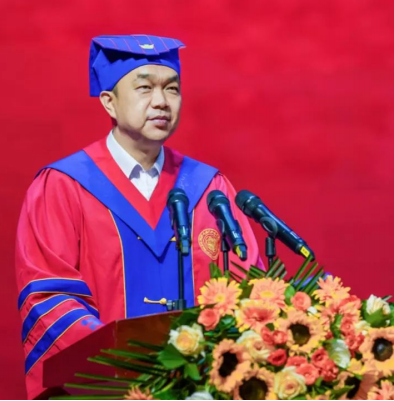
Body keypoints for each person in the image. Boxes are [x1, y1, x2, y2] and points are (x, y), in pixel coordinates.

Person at [15, 35, 263, 399]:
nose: (161, 101)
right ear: (109, 102)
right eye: (144, 88)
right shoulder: (64, 186)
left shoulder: (209, 188)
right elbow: (49, 295)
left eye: (172, 89)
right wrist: (123, 361)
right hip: (107, 392)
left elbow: (247, 281)